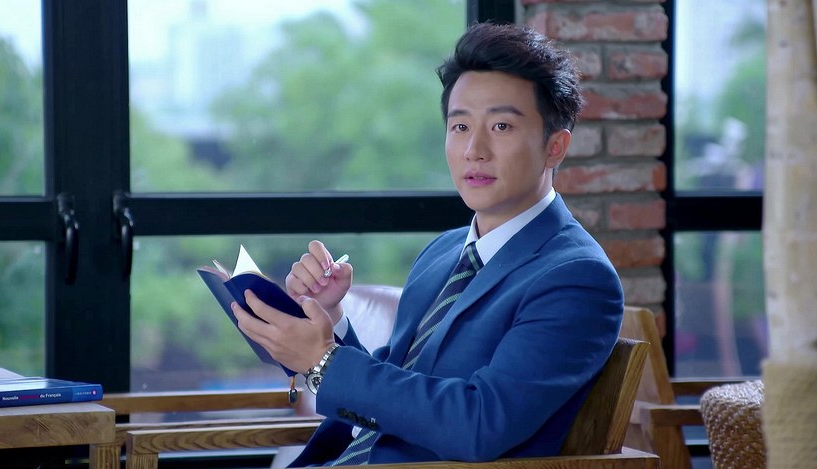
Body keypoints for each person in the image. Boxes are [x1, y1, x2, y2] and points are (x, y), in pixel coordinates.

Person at [232, 22, 624, 466]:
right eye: (460, 126)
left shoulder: (577, 278)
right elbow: (398, 385)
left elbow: (479, 425)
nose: (474, 149)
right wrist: (330, 321)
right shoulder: (442, 253)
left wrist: (323, 361)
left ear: (555, 147)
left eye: (501, 125)